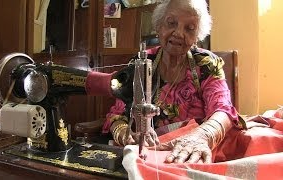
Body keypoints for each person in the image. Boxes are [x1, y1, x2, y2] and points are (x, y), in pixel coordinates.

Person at [102, 0, 239, 164]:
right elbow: (117, 114)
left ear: (197, 36)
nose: (179, 33)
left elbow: (222, 110)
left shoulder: (206, 64)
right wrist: (124, 133)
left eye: (190, 28)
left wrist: (202, 135)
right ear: (159, 27)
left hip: (193, 152)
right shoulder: (141, 63)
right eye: (171, 23)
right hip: (150, 152)